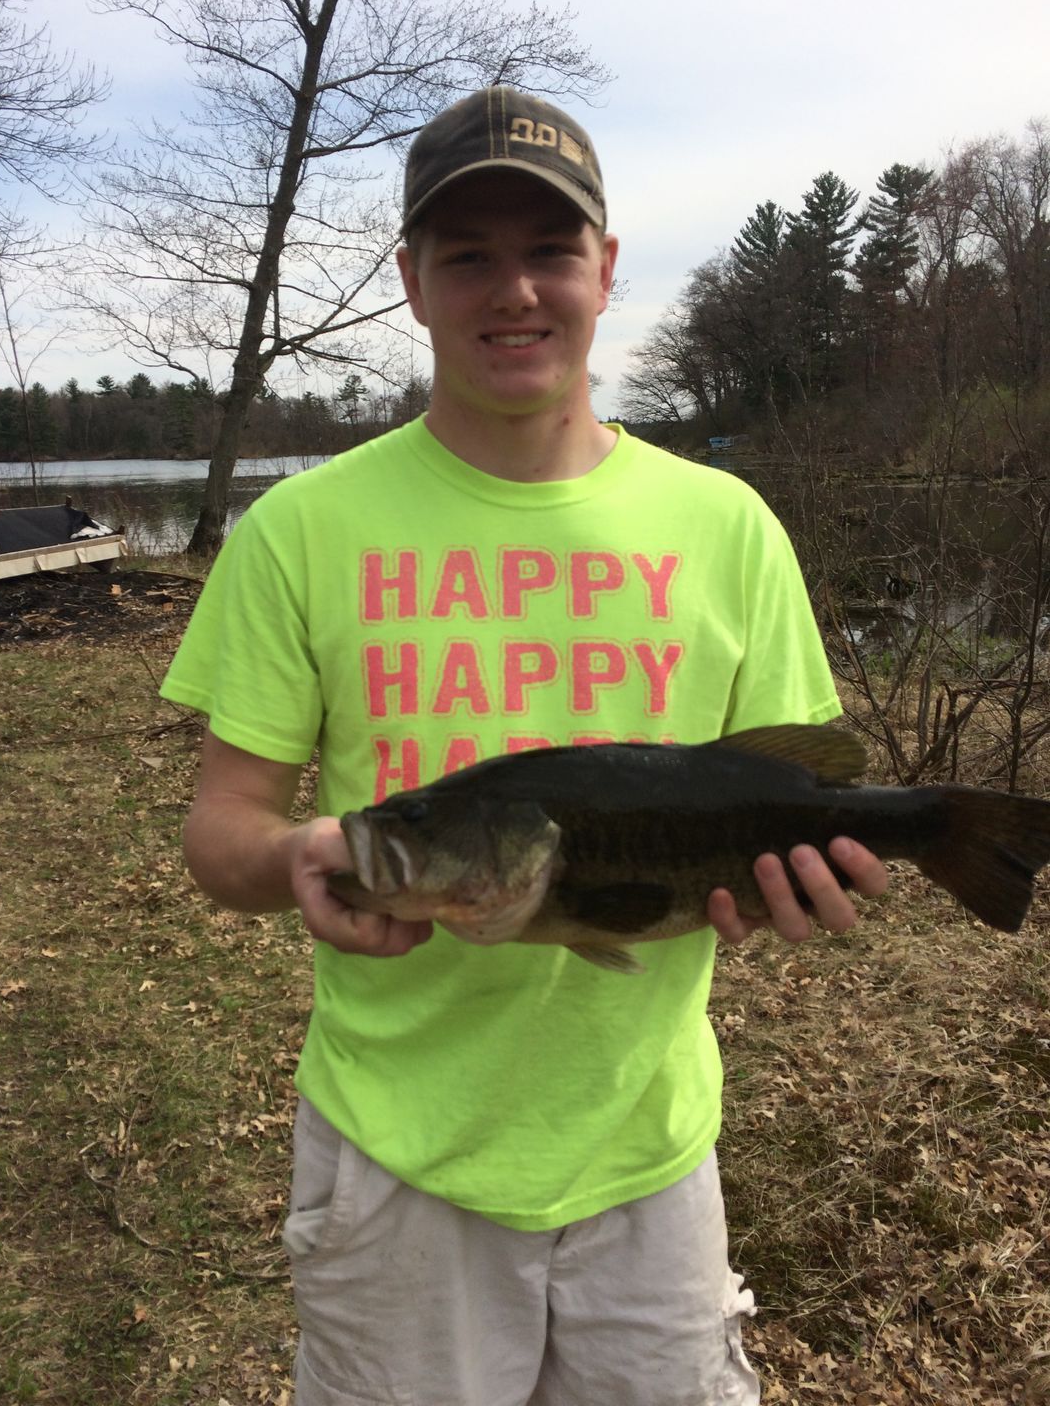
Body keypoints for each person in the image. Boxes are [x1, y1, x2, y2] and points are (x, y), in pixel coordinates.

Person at [161, 86, 889, 1406]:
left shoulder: (727, 526)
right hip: (398, 1159)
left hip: (650, 1150)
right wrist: (301, 859)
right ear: (412, 281)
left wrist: (807, 882)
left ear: (606, 269)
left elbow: (785, 792)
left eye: (550, 250)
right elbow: (223, 833)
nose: (515, 292)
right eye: (469, 257)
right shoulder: (301, 530)